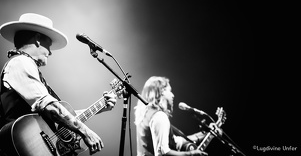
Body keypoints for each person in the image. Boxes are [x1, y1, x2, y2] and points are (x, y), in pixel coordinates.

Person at [0, 13, 117, 156]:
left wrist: (100, 107)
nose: (50, 52)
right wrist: (85, 131)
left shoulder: (27, 67)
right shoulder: (21, 62)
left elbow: (60, 114)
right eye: (49, 45)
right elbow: (51, 107)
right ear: (37, 40)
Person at [134, 76, 222, 156]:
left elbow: (175, 141)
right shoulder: (159, 116)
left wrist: (208, 133)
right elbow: (163, 153)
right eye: (170, 91)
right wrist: (191, 154)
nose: (173, 95)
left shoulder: (146, 116)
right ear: (162, 92)